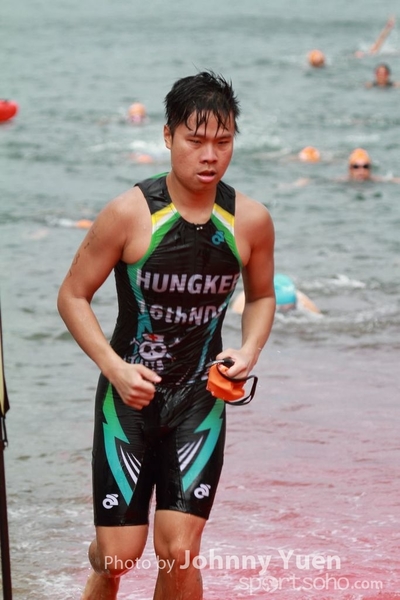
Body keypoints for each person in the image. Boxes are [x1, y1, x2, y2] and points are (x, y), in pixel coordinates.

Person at [57, 71, 276, 600]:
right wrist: (114, 368)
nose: (210, 155)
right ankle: (101, 563)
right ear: (167, 135)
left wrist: (248, 350)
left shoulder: (250, 221)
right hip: (128, 401)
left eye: (223, 142)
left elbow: (262, 297)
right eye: (195, 140)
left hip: (201, 400)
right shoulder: (128, 214)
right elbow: (72, 296)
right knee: (119, 557)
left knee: (179, 552)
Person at [231, 273, 320, 315]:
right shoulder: (299, 296)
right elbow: (317, 315)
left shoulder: (245, 295)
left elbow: (239, 314)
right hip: (291, 300)